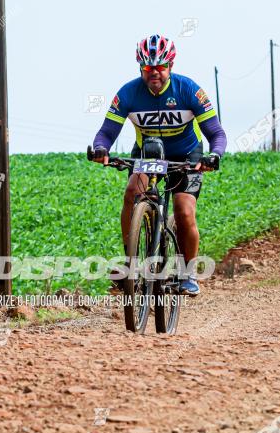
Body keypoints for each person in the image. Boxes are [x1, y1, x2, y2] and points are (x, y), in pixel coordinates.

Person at [90, 33, 227, 296]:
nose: (155, 73)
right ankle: (131, 263)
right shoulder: (128, 93)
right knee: (132, 193)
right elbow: (106, 132)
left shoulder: (189, 90)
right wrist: (100, 150)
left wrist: (214, 155)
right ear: (141, 68)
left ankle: (188, 274)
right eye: (148, 68)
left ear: (170, 66)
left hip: (186, 155)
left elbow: (216, 133)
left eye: (160, 67)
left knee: (184, 211)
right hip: (148, 154)